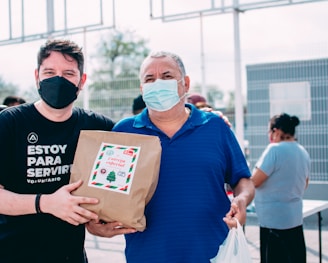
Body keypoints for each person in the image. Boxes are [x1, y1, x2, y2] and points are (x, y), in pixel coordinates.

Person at [86, 51, 255, 262]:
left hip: (213, 254)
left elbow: (243, 180)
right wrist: (94, 224)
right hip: (147, 256)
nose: (157, 83)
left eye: (166, 76)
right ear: (142, 89)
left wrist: (241, 199)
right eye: (149, 79)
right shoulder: (124, 132)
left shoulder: (215, 127)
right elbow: (103, 192)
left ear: (185, 83)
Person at [0, 39, 135, 263]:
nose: (58, 79)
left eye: (68, 73)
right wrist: (45, 203)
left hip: (70, 255)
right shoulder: (10, 123)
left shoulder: (97, 127)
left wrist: (97, 222)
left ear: (82, 81)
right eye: (50, 71)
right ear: (37, 76)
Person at [251, 113, 310, 263]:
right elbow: (305, 184)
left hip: (273, 222)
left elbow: (255, 181)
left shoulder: (274, 150)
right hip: (295, 220)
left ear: (275, 131)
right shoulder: (303, 151)